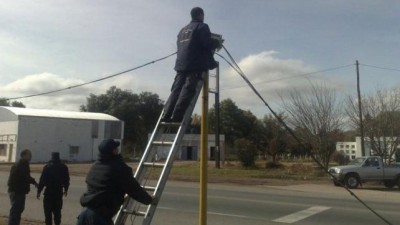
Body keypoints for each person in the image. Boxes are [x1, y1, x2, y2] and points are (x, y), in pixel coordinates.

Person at [162, 7, 222, 122]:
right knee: (188, 89)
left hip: (181, 64)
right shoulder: (202, 26)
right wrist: (217, 43)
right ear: (200, 15)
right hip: (195, 64)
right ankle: (176, 116)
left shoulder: (182, 30)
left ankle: (166, 114)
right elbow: (206, 43)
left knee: (176, 89)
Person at [76, 139, 154, 225]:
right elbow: (133, 188)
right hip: (99, 218)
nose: (118, 150)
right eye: (116, 149)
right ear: (113, 151)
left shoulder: (95, 166)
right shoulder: (118, 167)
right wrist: (149, 200)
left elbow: (100, 189)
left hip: (84, 215)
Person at [37, 152, 70, 225]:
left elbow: (42, 180)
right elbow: (66, 179)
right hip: (58, 192)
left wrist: (39, 191)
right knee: (57, 213)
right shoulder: (64, 167)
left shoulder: (47, 167)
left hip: (48, 192)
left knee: (48, 214)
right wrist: (66, 189)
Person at [7, 149, 38, 225]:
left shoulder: (25, 164)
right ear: (23, 155)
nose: (30, 156)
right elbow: (24, 177)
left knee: (20, 210)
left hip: (21, 191)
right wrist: (34, 182)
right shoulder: (18, 165)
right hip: (16, 191)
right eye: (29, 155)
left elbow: (27, 176)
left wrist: (34, 182)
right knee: (15, 211)